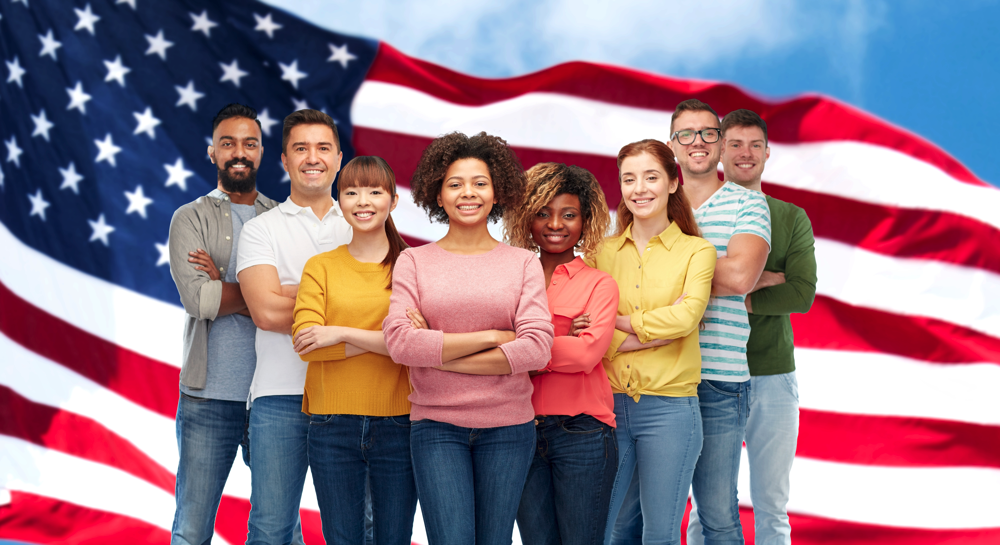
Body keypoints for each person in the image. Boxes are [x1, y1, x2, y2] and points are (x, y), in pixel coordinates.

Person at [382, 131, 555, 545]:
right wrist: (495, 336)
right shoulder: (414, 261)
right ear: (437, 196)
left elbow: (536, 347)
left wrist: (437, 352)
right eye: (455, 184)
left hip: (509, 427)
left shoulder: (522, 263)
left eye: (480, 183)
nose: (468, 193)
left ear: (496, 193)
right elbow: (401, 343)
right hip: (436, 426)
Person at [686, 109, 816, 545]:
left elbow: (800, 293)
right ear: (719, 150)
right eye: (735, 144)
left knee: (772, 506)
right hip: (708, 373)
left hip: (772, 374)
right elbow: (670, 285)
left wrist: (732, 284)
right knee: (708, 506)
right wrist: (757, 278)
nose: (745, 153)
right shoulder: (690, 211)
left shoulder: (790, 216)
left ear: (766, 153)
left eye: (754, 145)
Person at [592, 139, 716, 545]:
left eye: (651, 177)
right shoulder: (600, 253)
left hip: (671, 411)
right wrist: (648, 332)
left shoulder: (697, 252)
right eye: (629, 179)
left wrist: (620, 325)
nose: (639, 188)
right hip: (606, 407)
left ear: (673, 183)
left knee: (659, 534)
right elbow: (585, 328)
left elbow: (686, 318)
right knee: (605, 531)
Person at [237, 109, 352, 545]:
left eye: (323, 148)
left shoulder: (364, 225)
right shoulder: (260, 230)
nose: (312, 158)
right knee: (271, 529)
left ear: (339, 158)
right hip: (278, 396)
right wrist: (343, 304)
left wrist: (293, 291)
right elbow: (264, 313)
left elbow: (384, 311)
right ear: (283, 161)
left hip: (350, 396)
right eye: (300, 148)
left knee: (354, 529)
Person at [167, 103, 279, 545]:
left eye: (249, 143)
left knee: (278, 529)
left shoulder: (283, 219)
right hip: (206, 398)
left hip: (275, 399)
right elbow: (200, 299)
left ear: (262, 153)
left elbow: (306, 302)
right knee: (192, 529)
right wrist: (262, 296)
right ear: (212, 153)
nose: (239, 152)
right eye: (228, 143)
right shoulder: (189, 218)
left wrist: (225, 283)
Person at [291, 156, 417, 544]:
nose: (363, 201)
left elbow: (418, 347)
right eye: (351, 192)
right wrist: (389, 340)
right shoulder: (320, 267)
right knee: (342, 539)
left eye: (375, 191)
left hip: (400, 421)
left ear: (393, 201)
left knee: (393, 538)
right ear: (339, 201)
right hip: (331, 422)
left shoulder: (414, 266)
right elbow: (308, 344)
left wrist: (341, 333)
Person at [672, 99, 772, 545]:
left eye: (708, 133)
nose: (698, 142)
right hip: (655, 377)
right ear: (672, 145)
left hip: (720, 378)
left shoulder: (748, 205)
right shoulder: (650, 200)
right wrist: (713, 261)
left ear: (720, 143)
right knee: (632, 511)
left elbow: (740, 276)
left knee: (716, 513)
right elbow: (626, 278)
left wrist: (667, 267)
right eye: (686, 134)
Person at [505, 163, 620, 545]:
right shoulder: (511, 280)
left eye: (568, 215)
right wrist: (559, 336)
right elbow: (490, 351)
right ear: (528, 219)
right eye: (543, 213)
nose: (556, 224)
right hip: (518, 432)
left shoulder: (599, 284)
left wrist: (524, 348)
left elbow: (587, 355)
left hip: (583, 432)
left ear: (585, 222)